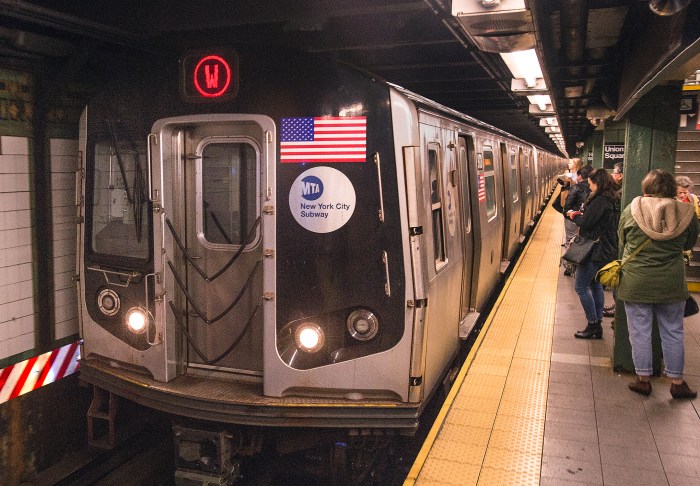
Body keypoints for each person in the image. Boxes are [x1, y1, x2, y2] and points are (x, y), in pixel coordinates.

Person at [619, 169, 699, 398]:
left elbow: (621, 240)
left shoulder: (631, 210)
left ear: (646, 190)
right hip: (671, 283)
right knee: (673, 331)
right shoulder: (687, 213)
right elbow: (689, 243)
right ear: (673, 191)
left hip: (636, 281)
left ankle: (643, 380)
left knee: (640, 332)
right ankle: (677, 382)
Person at [566, 168, 618, 339]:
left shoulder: (600, 201)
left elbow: (586, 223)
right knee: (595, 284)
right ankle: (597, 322)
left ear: (598, 183)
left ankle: (593, 324)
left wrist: (574, 215)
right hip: (604, 249)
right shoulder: (611, 199)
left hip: (594, 250)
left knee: (580, 286)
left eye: (591, 183)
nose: (589, 186)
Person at [562, 165, 593, 276]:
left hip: (573, 218)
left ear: (580, 176)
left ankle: (569, 267)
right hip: (587, 220)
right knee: (583, 243)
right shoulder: (595, 189)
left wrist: (568, 214)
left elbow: (567, 205)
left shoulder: (576, 188)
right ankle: (580, 266)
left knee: (570, 241)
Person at [603, 161, 624, 318]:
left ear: (621, 176)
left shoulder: (620, 196)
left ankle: (618, 308)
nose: (612, 176)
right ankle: (617, 306)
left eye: (614, 173)